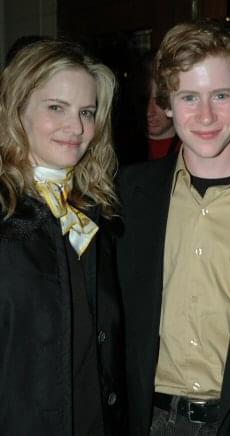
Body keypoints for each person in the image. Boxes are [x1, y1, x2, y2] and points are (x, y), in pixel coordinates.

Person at [116, 21, 230, 436]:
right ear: (167, 103)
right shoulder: (124, 196)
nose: (206, 115)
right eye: (189, 96)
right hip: (150, 421)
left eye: (222, 95)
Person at [0, 40, 126, 435]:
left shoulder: (90, 215)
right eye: (56, 107)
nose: (76, 128)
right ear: (17, 109)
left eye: (86, 112)